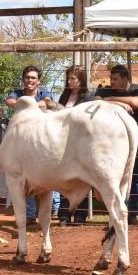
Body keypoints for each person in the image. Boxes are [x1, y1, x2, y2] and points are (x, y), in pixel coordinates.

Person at [96, 64, 138, 225]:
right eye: (111, 78)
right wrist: (119, 104)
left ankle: (131, 214)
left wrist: (111, 100)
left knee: (135, 177)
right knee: (114, 177)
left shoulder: (137, 90)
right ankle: (116, 212)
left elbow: (136, 102)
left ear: (125, 79)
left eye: (115, 79)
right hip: (111, 144)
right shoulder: (104, 91)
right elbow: (96, 101)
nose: (111, 82)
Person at [6, 65, 58, 223]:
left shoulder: (45, 93)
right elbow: (9, 101)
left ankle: (54, 209)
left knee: (52, 170)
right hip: (23, 142)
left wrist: (28, 105)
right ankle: (29, 215)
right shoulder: (17, 93)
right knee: (24, 176)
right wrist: (33, 104)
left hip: (43, 140)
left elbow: (48, 102)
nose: (30, 80)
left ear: (38, 81)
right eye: (27, 77)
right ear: (23, 79)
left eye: (33, 78)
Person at [56, 65, 95, 226]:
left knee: (83, 179)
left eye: (73, 78)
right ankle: (64, 215)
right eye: (69, 78)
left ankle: (80, 215)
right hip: (63, 144)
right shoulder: (64, 96)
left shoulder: (88, 98)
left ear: (81, 80)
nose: (70, 81)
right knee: (64, 179)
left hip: (81, 144)